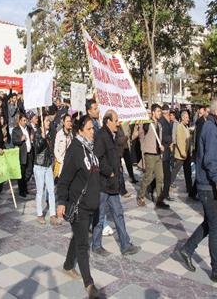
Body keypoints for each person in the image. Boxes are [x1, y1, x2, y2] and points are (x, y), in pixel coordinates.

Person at [178, 97, 217, 287]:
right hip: (209, 186)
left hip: (210, 185)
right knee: (216, 229)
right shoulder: (211, 128)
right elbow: (210, 160)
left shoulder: (215, 127)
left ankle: (187, 249)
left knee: (210, 224)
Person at [57, 115, 101, 299]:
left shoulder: (90, 149)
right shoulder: (75, 150)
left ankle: (68, 265)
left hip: (92, 205)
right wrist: (61, 202)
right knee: (83, 245)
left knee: (79, 236)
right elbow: (64, 179)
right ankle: (89, 284)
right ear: (80, 130)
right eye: (90, 129)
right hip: (79, 206)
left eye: (93, 128)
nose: (93, 132)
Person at [92, 110, 140, 256]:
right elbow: (98, 158)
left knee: (118, 213)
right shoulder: (101, 135)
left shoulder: (112, 135)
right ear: (108, 121)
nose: (118, 123)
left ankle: (125, 245)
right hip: (103, 183)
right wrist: (109, 172)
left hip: (112, 185)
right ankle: (96, 245)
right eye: (116, 120)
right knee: (99, 216)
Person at [137, 104, 168, 208]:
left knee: (160, 177)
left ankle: (159, 199)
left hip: (158, 155)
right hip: (149, 154)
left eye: (160, 111)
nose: (160, 113)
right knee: (148, 177)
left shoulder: (159, 125)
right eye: (158, 111)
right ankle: (141, 196)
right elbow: (141, 135)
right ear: (153, 112)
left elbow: (159, 139)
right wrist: (143, 149)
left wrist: (161, 147)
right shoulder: (147, 123)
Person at [33, 114, 59, 225]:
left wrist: (53, 162)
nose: (49, 123)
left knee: (51, 190)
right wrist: (42, 138)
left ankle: (53, 214)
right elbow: (37, 148)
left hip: (48, 165)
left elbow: (51, 149)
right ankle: (39, 214)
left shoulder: (50, 133)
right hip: (39, 165)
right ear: (42, 122)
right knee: (40, 191)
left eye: (49, 121)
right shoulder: (37, 133)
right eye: (47, 121)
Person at [170, 111, 194, 197]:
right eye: (187, 117)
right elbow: (179, 141)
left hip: (186, 153)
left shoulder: (186, 127)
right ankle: (168, 184)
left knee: (188, 172)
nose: (188, 119)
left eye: (188, 117)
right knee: (175, 170)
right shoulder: (180, 127)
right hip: (182, 154)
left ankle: (190, 189)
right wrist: (183, 153)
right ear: (183, 118)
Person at [12, 113, 33, 197]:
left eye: (26, 120)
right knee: (22, 173)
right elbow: (14, 141)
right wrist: (20, 139)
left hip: (29, 153)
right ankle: (22, 190)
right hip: (22, 154)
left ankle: (24, 186)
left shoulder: (28, 128)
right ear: (20, 121)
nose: (25, 122)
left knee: (29, 171)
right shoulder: (16, 130)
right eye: (24, 120)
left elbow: (32, 134)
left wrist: (32, 138)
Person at [159, 104, 174, 200]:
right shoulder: (162, 122)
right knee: (166, 175)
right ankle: (165, 193)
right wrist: (171, 140)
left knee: (165, 174)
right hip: (164, 152)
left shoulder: (166, 121)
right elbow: (163, 136)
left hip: (167, 152)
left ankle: (165, 192)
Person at [54, 114, 73, 178]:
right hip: (61, 163)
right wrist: (61, 160)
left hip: (69, 162)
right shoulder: (59, 134)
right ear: (64, 122)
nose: (69, 123)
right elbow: (55, 150)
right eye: (67, 121)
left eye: (70, 121)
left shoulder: (71, 134)